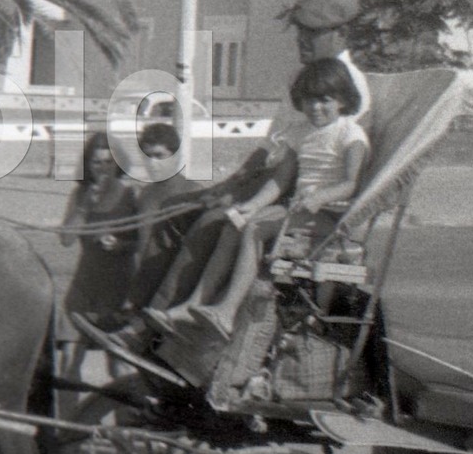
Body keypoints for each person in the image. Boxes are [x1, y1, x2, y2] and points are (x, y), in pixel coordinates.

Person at [130, 0, 371, 313]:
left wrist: (247, 194)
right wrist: (236, 178)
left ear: (341, 34)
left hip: (296, 195)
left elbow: (314, 161)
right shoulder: (303, 78)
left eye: (312, 33)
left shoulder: (346, 85)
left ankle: (156, 323)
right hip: (269, 177)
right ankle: (138, 305)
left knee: (210, 222)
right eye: (299, 31)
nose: (301, 40)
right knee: (172, 205)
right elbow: (271, 141)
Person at [145, 56, 370, 341]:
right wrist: (251, 205)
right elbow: (280, 179)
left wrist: (322, 196)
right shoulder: (300, 133)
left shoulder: (350, 133)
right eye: (309, 100)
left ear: (343, 99)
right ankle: (194, 303)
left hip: (329, 217)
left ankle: (226, 311)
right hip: (299, 212)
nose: (316, 108)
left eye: (325, 100)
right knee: (234, 223)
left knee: (254, 229)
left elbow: (351, 183)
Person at [60, 132, 138, 329]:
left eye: (108, 163)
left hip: (119, 279)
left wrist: (122, 245)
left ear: (118, 164)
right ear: (87, 165)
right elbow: (66, 239)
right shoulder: (80, 195)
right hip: (86, 278)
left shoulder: (131, 195)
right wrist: (83, 207)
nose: (103, 169)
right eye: (96, 163)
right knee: (69, 335)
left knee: (111, 342)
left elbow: (144, 242)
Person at [127, 122, 201, 310]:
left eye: (159, 156)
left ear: (175, 157)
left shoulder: (193, 193)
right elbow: (141, 241)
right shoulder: (145, 194)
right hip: (142, 290)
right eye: (147, 156)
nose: (152, 163)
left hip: (174, 295)